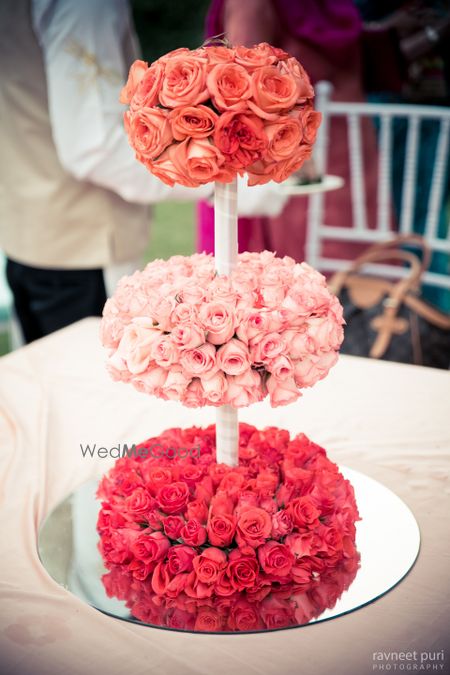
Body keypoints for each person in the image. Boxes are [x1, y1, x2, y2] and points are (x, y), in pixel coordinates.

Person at [0, 0, 287, 344]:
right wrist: (214, 178)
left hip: (28, 232)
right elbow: (95, 149)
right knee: (92, 387)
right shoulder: (84, 6)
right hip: (84, 246)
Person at [198, 0, 380, 262]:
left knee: (290, 258)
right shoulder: (334, 7)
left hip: (294, 148)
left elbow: (238, 79)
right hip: (340, 142)